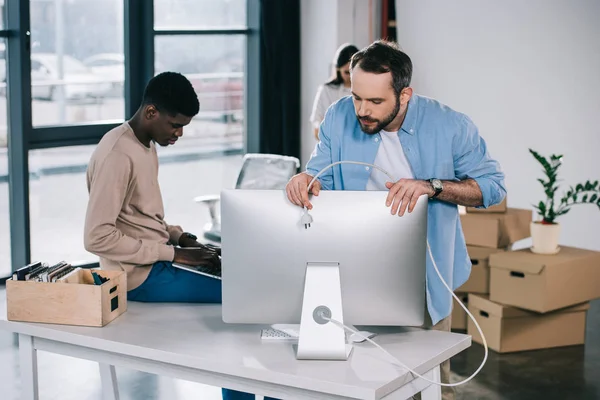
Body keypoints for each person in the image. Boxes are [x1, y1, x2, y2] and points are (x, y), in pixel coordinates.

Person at [286, 40, 506, 400]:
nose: (362, 110)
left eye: (375, 102)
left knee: (430, 383)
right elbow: (319, 173)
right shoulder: (339, 115)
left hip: (424, 271)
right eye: (357, 96)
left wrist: (431, 186)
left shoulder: (450, 125)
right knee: (354, 379)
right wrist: (304, 181)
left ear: (405, 95)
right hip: (353, 268)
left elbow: (492, 188)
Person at [84, 71, 278, 400]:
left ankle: (273, 390)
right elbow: (97, 237)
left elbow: (139, 216)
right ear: (151, 113)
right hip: (138, 276)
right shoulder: (117, 154)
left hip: (158, 259)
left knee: (253, 275)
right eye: (175, 125)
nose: (179, 133)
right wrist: (174, 254)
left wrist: (179, 237)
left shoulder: (144, 143)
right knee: (248, 297)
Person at [309, 43, 359, 140]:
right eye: (347, 72)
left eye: (354, 72)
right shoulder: (326, 90)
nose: (351, 76)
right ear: (338, 69)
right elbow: (316, 126)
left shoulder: (367, 91)